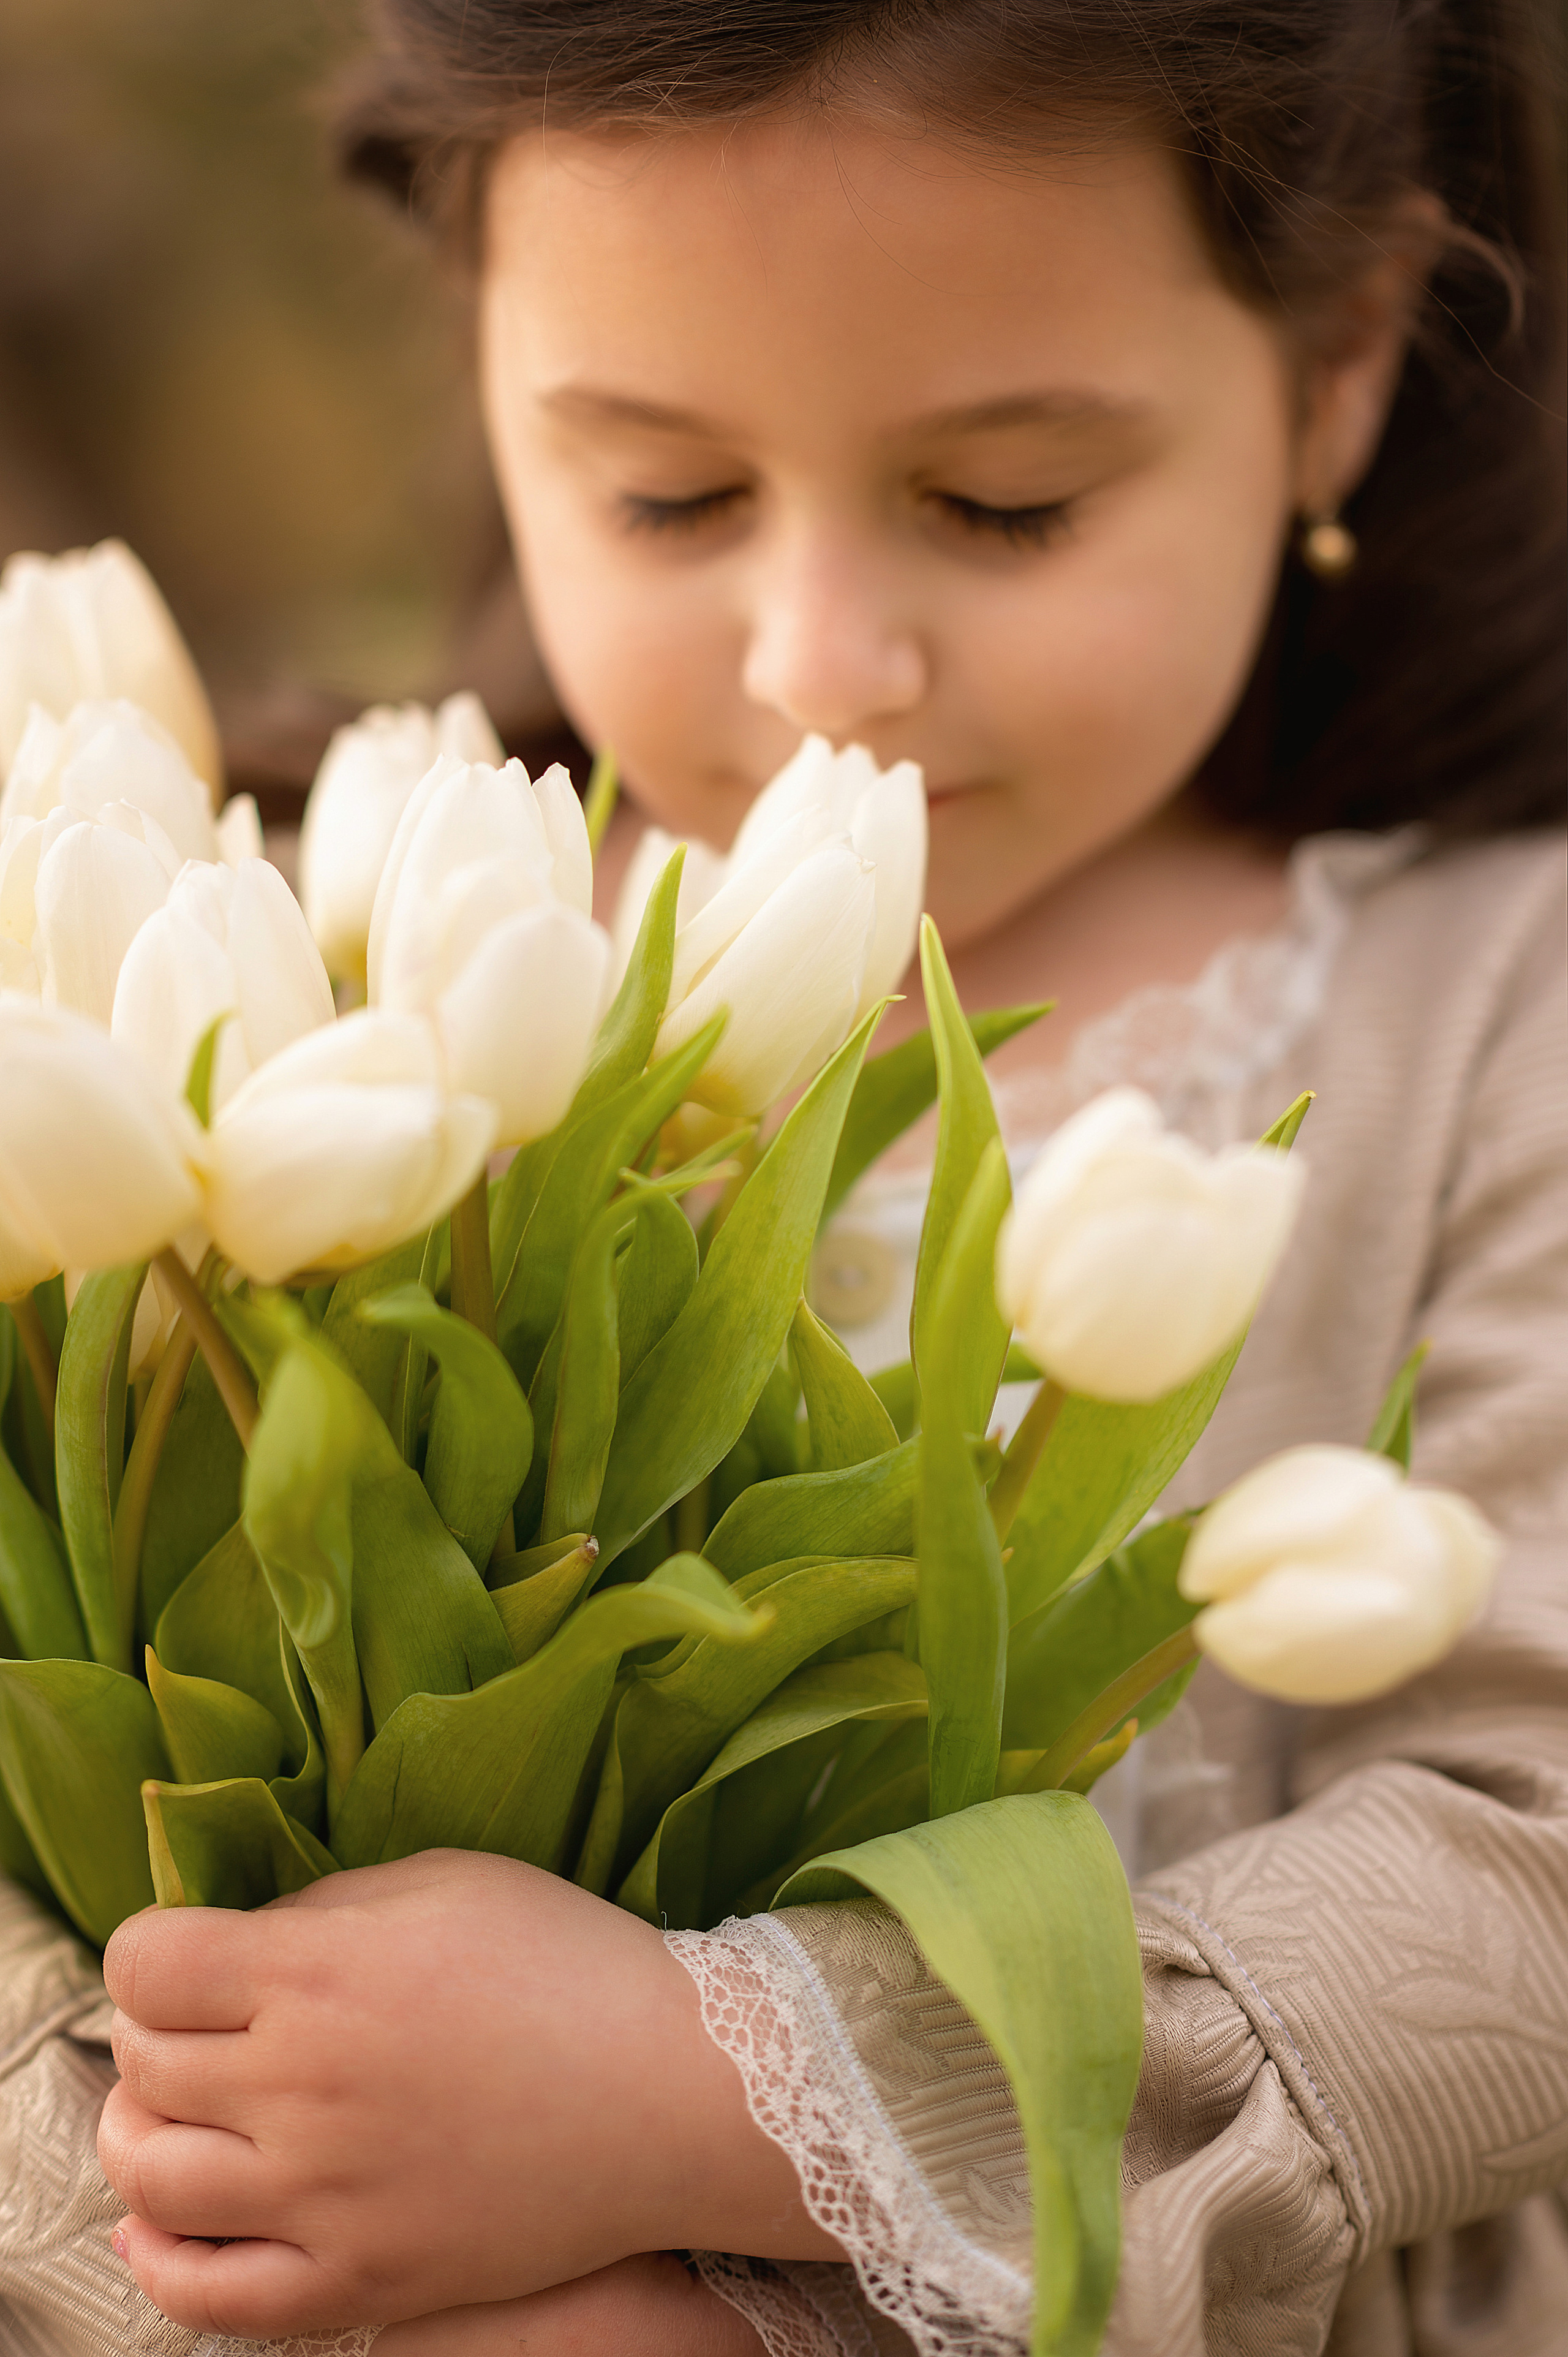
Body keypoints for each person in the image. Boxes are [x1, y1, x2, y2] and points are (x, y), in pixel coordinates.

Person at [7, 2, 1563, 2352]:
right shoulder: (283, 950)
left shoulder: (1500, 1012)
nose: (827, 662)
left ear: (1338, 364)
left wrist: (708, 2116)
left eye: (1006, 500)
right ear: (493, 343)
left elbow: (1525, 1883)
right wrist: (224, 2238)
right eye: (667, 493)